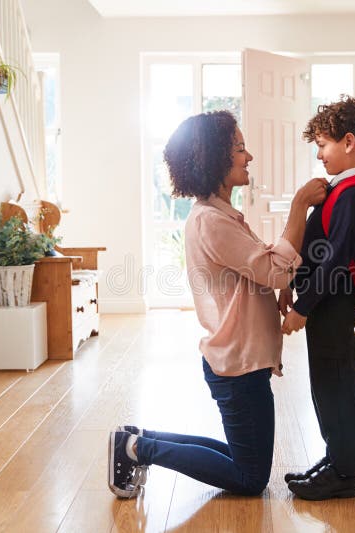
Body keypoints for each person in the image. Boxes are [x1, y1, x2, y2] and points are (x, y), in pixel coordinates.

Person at [108, 110, 328, 498]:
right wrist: (299, 206)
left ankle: (137, 439)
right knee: (250, 477)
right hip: (238, 366)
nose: (249, 157)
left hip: (239, 361)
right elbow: (275, 269)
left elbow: (260, 268)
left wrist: (279, 284)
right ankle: (138, 448)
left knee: (242, 458)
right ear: (214, 160)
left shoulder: (220, 215)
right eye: (240, 149)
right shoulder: (212, 221)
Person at [278, 96, 355, 500]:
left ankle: (344, 473)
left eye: (323, 144)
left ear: (348, 141)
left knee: (335, 386)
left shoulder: (354, 193)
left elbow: (336, 260)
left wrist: (303, 307)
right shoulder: (341, 190)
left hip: (332, 306)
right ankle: (336, 460)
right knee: (325, 384)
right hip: (326, 306)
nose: (319, 154)